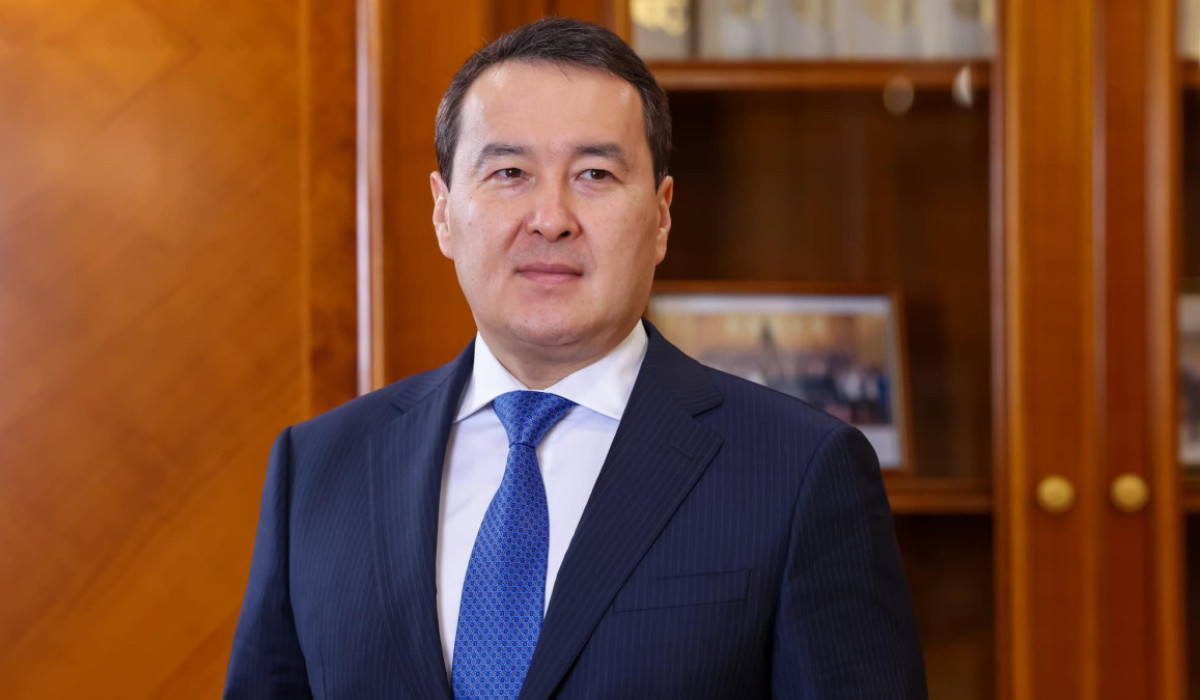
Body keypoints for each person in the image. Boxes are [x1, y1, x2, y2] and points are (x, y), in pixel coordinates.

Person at [224, 17, 927, 700]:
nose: (551, 218)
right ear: (443, 212)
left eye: (594, 174)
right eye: (509, 172)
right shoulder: (317, 469)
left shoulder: (799, 470)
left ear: (661, 214)